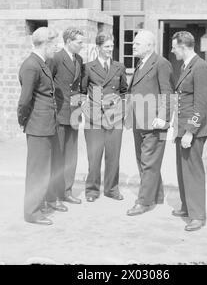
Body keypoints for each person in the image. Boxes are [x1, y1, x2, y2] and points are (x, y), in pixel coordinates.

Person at [17, 27, 67, 226]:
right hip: (37, 127)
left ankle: (39, 204)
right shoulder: (31, 65)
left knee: (44, 169)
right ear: (45, 44)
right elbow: (24, 101)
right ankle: (32, 212)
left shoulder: (42, 63)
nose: (56, 48)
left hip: (46, 126)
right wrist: (25, 121)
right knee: (37, 171)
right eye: (54, 45)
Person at [126, 29, 174, 216]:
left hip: (154, 123)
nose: (133, 45)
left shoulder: (161, 64)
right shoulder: (141, 63)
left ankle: (144, 202)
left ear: (149, 46)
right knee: (144, 161)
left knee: (148, 162)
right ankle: (157, 195)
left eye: (137, 43)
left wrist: (163, 117)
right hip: (139, 121)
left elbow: (167, 93)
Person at [170, 31, 207, 232]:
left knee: (193, 171)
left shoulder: (201, 67)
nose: (172, 50)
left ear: (183, 47)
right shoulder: (186, 65)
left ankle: (197, 216)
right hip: (182, 128)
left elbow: (202, 104)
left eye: (174, 47)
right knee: (182, 170)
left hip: (192, 131)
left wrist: (189, 132)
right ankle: (187, 207)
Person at [81, 32, 128, 202]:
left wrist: (120, 107)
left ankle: (112, 189)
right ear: (98, 48)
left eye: (112, 46)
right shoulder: (87, 67)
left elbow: (124, 91)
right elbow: (80, 92)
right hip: (94, 119)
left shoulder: (119, 67)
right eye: (107, 46)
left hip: (114, 118)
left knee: (113, 156)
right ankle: (92, 190)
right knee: (94, 157)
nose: (110, 49)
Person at [47, 27, 86, 205]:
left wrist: (80, 106)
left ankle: (67, 191)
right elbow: (47, 85)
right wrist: (52, 109)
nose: (82, 45)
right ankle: (54, 196)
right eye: (79, 42)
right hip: (59, 113)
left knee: (71, 155)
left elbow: (78, 87)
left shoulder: (79, 60)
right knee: (58, 155)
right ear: (69, 42)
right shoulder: (55, 58)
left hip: (74, 114)